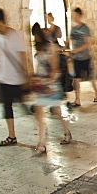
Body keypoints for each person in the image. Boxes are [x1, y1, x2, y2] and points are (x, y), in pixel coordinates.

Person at [0, 8, 32, 149]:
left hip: (16, 78)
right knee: (7, 107)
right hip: (2, 78)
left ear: (2, 21)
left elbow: (22, 55)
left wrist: (25, 76)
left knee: (25, 108)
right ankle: (12, 136)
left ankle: (42, 131)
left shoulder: (14, 34)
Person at [30, 23, 72, 154]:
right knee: (40, 113)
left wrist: (48, 82)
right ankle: (41, 143)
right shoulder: (39, 48)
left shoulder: (51, 47)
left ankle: (66, 132)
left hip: (51, 85)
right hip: (42, 85)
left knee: (57, 112)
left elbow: (55, 69)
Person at [67, 7, 97, 106]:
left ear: (80, 16)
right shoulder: (72, 29)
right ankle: (77, 99)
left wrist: (76, 50)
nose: (74, 17)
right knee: (76, 79)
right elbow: (70, 40)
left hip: (85, 57)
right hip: (76, 58)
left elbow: (88, 43)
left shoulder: (85, 28)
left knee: (91, 78)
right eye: (73, 15)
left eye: (75, 15)